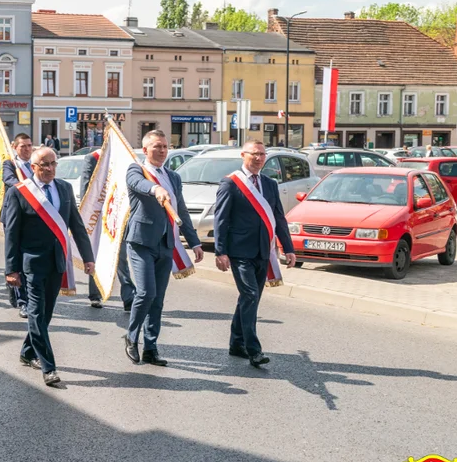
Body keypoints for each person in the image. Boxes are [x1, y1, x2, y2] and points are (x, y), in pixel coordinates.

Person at [2, 146, 95, 387]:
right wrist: (11, 269)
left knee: (46, 313)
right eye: (44, 164)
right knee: (35, 311)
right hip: (31, 262)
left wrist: (88, 257)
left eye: (53, 163)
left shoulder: (64, 188)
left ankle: (27, 351)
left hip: (57, 261)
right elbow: (11, 234)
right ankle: (48, 365)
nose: (50, 168)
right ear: (33, 167)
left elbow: (76, 224)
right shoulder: (19, 193)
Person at [122, 130, 203, 367]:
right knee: (146, 292)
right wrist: (155, 189)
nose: (162, 151)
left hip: (166, 244)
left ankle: (151, 347)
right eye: (157, 146)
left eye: (165, 147)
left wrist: (194, 241)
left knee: (157, 299)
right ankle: (131, 336)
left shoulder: (173, 177)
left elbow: (182, 210)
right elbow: (138, 184)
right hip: (141, 242)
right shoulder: (136, 169)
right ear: (145, 150)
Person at [213, 139, 296, 368]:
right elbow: (221, 219)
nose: (259, 158)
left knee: (250, 299)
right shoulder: (231, 183)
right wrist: (220, 251)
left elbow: (278, 217)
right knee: (249, 296)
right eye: (254, 154)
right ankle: (253, 349)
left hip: (262, 251)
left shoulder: (269, 184)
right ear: (243, 155)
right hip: (239, 252)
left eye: (262, 154)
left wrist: (287, 247)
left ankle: (236, 343)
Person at [79, 148, 136, 311]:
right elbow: (86, 189)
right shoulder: (93, 158)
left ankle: (128, 298)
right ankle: (95, 295)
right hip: (97, 217)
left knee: (121, 257)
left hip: (117, 216)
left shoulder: (124, 160)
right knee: (95, 257)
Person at [2, 133, 35, 317]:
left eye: (29, 145)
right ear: (15, 147)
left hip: (32, 219)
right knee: (15, 258)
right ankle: (22, 300)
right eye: (23, 146)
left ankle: (28, 296)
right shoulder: (10, 164)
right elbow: (9, 180)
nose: (27, 149)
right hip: (14, 217)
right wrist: (28, 188)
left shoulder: (34, 166)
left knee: (27, 259)